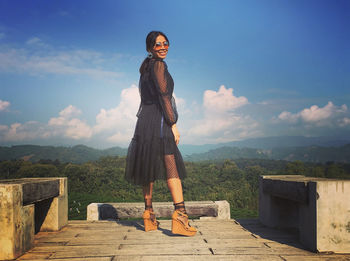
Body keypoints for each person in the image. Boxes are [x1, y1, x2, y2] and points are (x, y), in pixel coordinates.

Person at [125, 31, 196, 236]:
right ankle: (180, 217)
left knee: (148, 168)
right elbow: (165, 96)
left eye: (166, 43)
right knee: (171, 165)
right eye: (158, 45)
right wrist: (173, 124)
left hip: (144, 122)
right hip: (159, 121)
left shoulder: (145, 68)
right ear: (150, 48)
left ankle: (148, 215)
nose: (163, 47)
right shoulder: (158, 65)